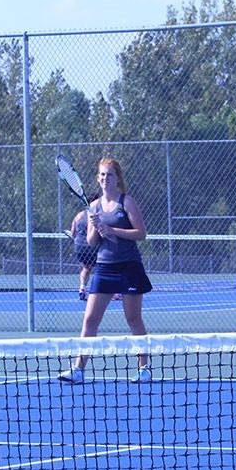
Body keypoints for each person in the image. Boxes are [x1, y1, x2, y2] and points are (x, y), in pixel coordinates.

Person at [58, 157, 153, 384]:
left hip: (129, 266)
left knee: (133, 318)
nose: (104, 179)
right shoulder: (94, 206)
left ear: (117, 178)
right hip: (104, 268)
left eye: (109, 175)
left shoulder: (127, 203)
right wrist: (95, 226)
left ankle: (144, 369)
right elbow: (92, 242)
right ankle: (78, 369)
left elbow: (141, 233)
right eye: (101, 175)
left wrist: (111, 229)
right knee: (90, 319)